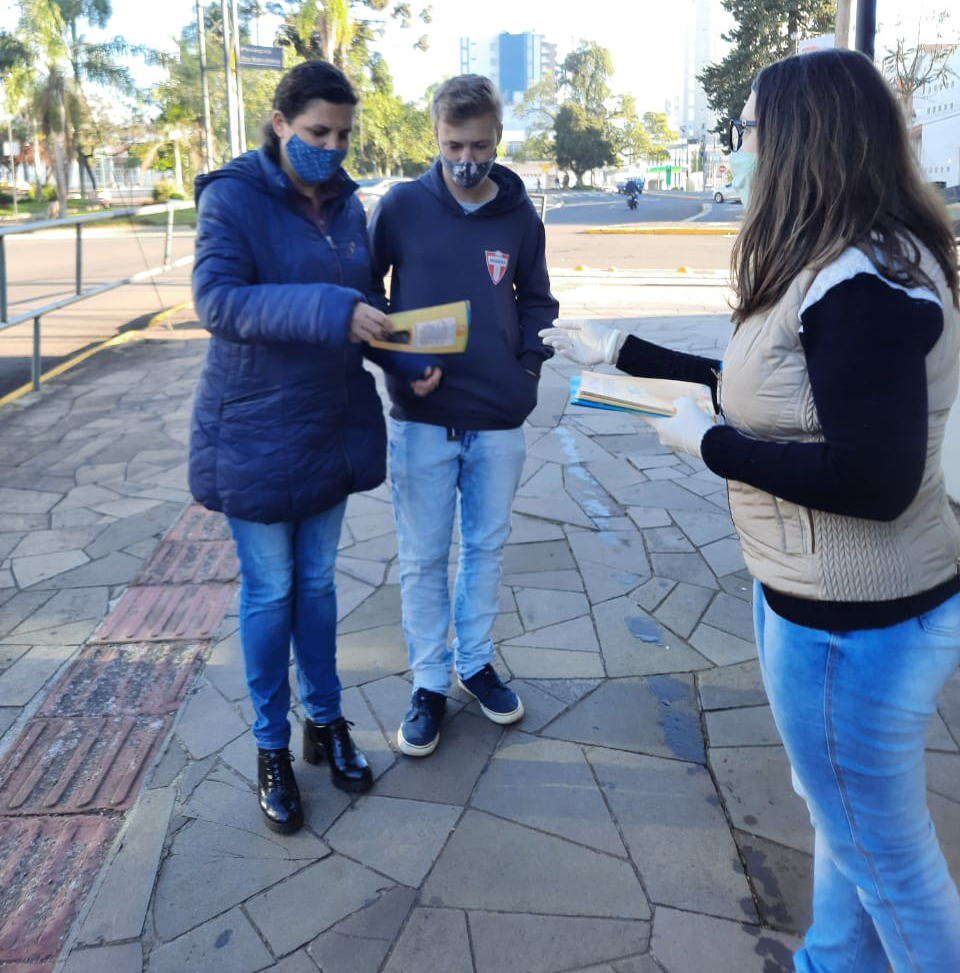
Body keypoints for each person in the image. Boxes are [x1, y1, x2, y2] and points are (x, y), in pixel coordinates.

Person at [540, 49, 960, 972]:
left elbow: (875, 482)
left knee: (886, 852)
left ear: (802, 142)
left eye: (751, 133)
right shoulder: (835, 260)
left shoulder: (863, 284)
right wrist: (625, 352)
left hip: (854, 625)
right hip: (822, 604)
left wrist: (707, 445)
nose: (742, 151)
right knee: (844, 817)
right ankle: (831, 962)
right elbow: (776, 391)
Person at [189, 60, 434, 834]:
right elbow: (218, 301)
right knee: (270, 593)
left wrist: (404, 355)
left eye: (342, 134)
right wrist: (334, 307)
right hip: (255, 428)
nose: (331, 146)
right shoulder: (232, 196)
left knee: (319, 587)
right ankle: (271, 747)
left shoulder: (348, 204)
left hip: (329, 422)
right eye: (317, 132)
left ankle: (324, 723)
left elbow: (364, 304)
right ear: (280, 122)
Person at [368, 74, 559, 757]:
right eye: (454, 144)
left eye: (479, 143)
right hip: (422, 420)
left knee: (485, 547)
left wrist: (527, 371)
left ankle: (474, 661)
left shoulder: (518, 216)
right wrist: (398, 365)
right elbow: (366, 303)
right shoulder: (399, 208)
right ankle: (428, 681)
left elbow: (536, 299)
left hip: (499, 420)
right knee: (422, 558)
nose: (467, 157)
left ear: (498, 138)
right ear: (435, 138)